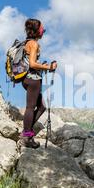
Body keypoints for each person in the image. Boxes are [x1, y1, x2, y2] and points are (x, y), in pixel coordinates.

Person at [21, 18, 57, 149]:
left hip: (27, 79)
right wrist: (49, 68)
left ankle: (26, 131)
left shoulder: (27, 43)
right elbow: (32, 64)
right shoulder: (34, 44)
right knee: (30, 107)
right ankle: (26, 136)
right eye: (43, 29)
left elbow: (31, 63)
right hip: (33, 80)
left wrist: (42, 66)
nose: (43, 32)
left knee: (41, 106)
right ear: (37, 31)